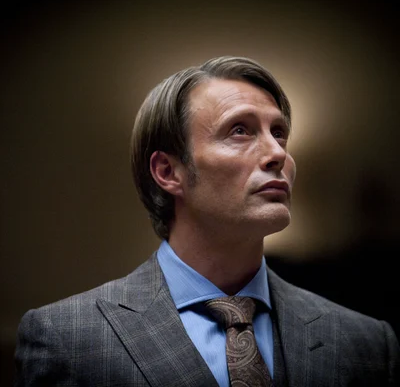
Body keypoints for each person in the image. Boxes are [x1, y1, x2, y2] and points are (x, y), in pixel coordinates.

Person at [15, 56, 399, 386]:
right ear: (168, 171)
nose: (278, 153)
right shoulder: (67, 339)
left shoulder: (367, 343)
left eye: (279, 133)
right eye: (239, 130)